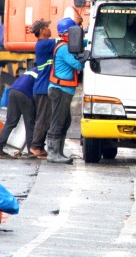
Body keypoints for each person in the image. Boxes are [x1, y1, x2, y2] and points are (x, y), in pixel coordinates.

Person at [46, 17, 89, 164]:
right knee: (58, 121)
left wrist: (90, 38)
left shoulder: (66, 45)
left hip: (63, 90)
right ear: (67, 33)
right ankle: (53, 153)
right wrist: (84, 58)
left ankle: (59, 152)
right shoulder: (64, 48)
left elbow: (82, 42)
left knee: (65, 121)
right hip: (60, 90)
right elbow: (77, 65)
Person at [0, 69, 38, 157]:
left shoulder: (32, 70)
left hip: (13, 91)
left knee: (10, 122)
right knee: (30, 124)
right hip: (25, 94)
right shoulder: (45, 72)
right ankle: (31, 151)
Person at [30, 18, 56, 158]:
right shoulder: (44, 44)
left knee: (46, 117)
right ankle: (36, 146)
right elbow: (64, 41)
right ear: (41, 31)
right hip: (42, 88)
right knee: (43, 119)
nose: (49, 29)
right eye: (46, 27)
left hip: (43, 88)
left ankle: (39, 146)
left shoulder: (44, 44)